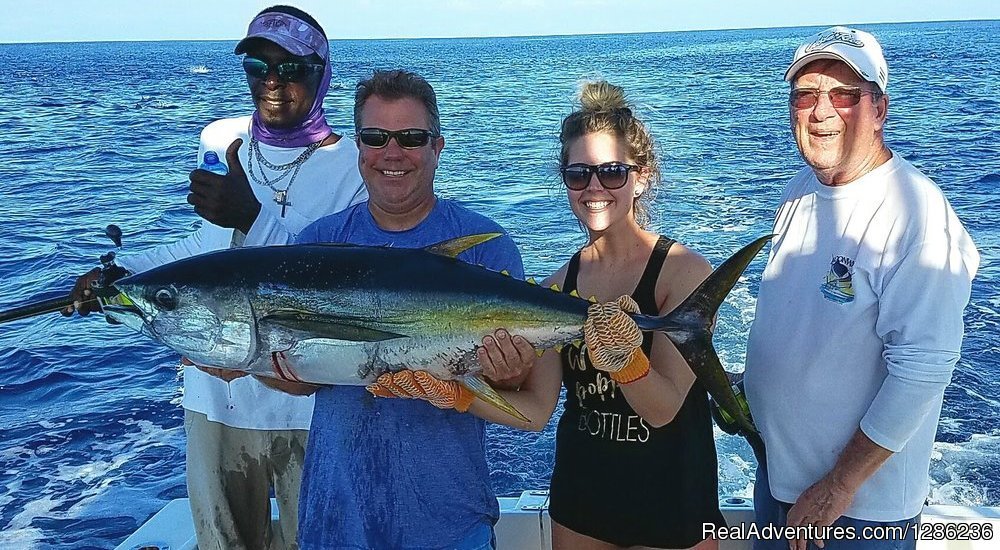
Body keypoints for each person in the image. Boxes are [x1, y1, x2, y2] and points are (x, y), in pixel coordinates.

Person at [376, 80, 727, 549]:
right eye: (579, 174)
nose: (594, 187)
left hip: (673, 499)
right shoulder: (554, 289)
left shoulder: (683, 273)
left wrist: (628, 363)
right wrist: (456, 393)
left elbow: (663, 411)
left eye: (612, 172)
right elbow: (536, 411)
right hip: (582, 500)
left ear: (641, 177)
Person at [64, 6, 366, 549]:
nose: (273, 82)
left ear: (321, 73)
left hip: (311, 403)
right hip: (215, 399)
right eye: (258, 66)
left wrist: (253, 217)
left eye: (292, 68)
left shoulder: (353, 163)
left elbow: (342, 285)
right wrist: (121, 275)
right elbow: (201, 252)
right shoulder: (224, 142)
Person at [743, 26, 980, 550]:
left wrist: (837, 487)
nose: (821, 111)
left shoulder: (916, 215)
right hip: (779, 483)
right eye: (805, 94)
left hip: (854, 512)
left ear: (879, 108)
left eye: (844, 95)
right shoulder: (800, 189)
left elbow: (924, 368)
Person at [270, 69, 525, 550]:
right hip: (337, 518)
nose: (393, 153)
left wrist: (509, 373)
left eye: (411, 137)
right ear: (359, 149)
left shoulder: (485, 248)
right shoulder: (318, 245)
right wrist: (270, 366)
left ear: (437, 147)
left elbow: (514, 386)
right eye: (375, 137)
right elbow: (301, 377)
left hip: (450, 521)